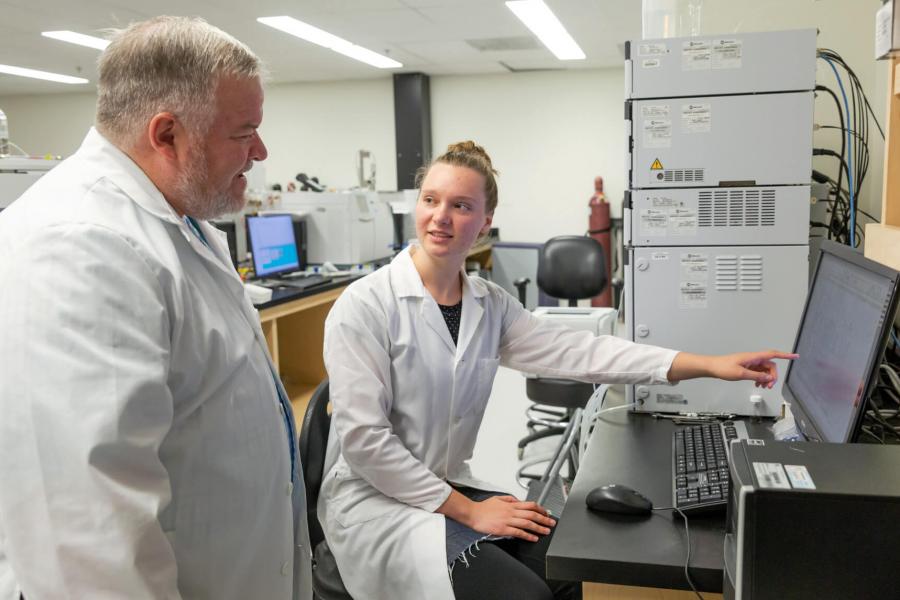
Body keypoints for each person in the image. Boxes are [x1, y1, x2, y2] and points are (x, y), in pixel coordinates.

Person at [320, 141, 796, 600]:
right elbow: (365, 442)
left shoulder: (489, 305)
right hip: (377, 503)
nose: (441, 216)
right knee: (525, 594)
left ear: (486, 221)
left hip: (442, 487)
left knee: (572, 569)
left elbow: (585, 353)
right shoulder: (365, 306)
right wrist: (471, 512)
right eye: (431, 200)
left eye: (461, 206)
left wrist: (709, 365)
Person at [0, 16, 312, 600]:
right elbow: (89, 546)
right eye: (244, 133)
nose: (261, 152)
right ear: (166, 134)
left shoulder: (178, 221)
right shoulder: (79, 248)